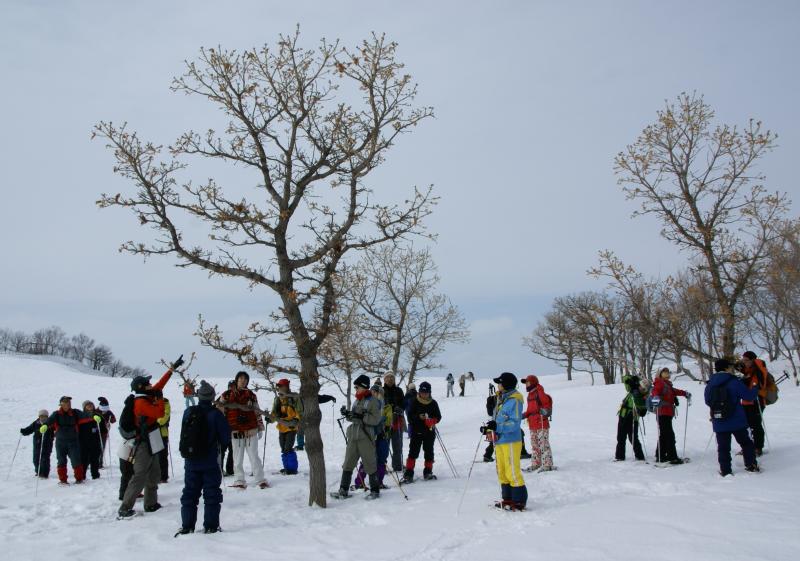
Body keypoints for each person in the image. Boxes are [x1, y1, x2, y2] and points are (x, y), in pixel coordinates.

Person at [118, 355, 183, 518]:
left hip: (152, 438)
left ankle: (151, 503)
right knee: (139, 475)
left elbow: (160, 384)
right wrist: (160, 399)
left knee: (154, 472)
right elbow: (159, 413)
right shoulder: (141, 403)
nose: (150, 384)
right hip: (143, 442)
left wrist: (172, 369)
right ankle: (125, 507)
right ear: (142, 387)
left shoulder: (146, 396)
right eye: (147, 383)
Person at [176, 380, 232, 536]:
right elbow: (225, 437)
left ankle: (187, 526)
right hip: (210, 461)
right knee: (212, 493)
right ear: (212, 397)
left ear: (199, 396)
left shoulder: (188, 412)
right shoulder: (216, 415)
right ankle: (211, 526)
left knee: (189, 493)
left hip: (191, 460)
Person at [480, 372, 528, 511]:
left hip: (511, 440)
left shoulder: (515, 400)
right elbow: (497, 420)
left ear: (505, 385)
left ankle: (519, 501)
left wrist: (498, 427)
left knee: (512, 470)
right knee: (501, 470)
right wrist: (489, 428)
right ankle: (508, 498)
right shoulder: (502, 399)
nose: (498, 385)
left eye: (499, 383)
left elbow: (515, 423)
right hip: (500, 440)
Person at [704, 358, 760, 476]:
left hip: (719, 420)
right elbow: (748, 396)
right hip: (736, 419)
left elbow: (708, 401)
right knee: (746, 443)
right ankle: (751, 465)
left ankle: (725, 470)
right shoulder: (734, 381)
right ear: (726, 368)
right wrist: (755, 388)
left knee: (723, 447)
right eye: (730, 366)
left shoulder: (710, 384)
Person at [330, 375, 383, 500]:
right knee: (348, 463)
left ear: (364, 387)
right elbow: (354, 417)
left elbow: (376, 419)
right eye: (355, 387)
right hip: (353, 436)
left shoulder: (373, 401)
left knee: (369, 463)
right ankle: (343, 490)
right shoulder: (357, 400)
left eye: (357, 387)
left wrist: (361, 417)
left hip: (365, 436)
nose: (355, 389)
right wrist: (348, 414)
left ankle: (375, 490)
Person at [220, 371, 268, 488]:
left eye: (245, 379)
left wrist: (260, 427)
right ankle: (239, 480)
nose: (243, 381)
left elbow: (257, 411)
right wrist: (220, 428)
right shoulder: (226, 395)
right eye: (241, 378)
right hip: (235, 431)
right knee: (237, 458)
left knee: (254, 456)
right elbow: (220, 411)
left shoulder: (251, 395)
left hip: (251, 430)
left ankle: (260, 479)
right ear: (237, 380)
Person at [42, 396, 96, 484]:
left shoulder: (75, 412)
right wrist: (45, 425)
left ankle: (79, 478)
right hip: (60, 442)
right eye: (65, 403)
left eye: (68, 403)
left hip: (73, 441)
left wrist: (93, 416)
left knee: (76, 460)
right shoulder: (56, 414)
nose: (67, 404)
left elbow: (85, 415)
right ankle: (63, 480)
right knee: (61, 460)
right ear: (61, 404)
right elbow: (50, 420)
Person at [402, 381, 442, 483]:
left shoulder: (433, 403)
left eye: (426, 392)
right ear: (419, 392)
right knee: (413, 453)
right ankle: (409, 473)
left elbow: (438, 416)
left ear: (429, 393)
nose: (424, 394)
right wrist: (419, 417)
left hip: (429, 432)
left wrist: (432, 420)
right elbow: (409, 416)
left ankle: (428, 472)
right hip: (416, 432)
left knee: (429, 452)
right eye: (422, 392)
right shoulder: (414, 401)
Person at [354, 384, 391, 490]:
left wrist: (385, 422)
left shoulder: (387, 407)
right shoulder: (368, 404)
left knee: (381, 459)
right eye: (373, 392)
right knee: (367, 459)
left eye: (377, 392)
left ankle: (379, 482)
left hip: (382, 436)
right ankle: (359, 482)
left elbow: (389, 420)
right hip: (369, 435)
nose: (374, 394)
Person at [651, 367, 690, 464]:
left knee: (664, 435)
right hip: (662, 412)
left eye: (668, 372)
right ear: (660, 374)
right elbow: (655, 391)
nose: (667, 373)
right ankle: (672, 457)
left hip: (666, 413)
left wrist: (685, 393)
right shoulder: (659, 382)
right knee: (669, 435)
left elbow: (674, 391)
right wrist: (655, 397)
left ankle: (660, 455)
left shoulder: (667, 384)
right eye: (665, 372)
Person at [269, 378, 300, 475]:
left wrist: (296, 420)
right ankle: (287, 467)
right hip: (282, 426)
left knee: (288, 448)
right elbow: (274, 413)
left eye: (282, 386)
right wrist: (270, 419)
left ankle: (292, 469)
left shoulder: (293, 397)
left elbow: (299, 411)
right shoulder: (278, 399)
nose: (280, 388)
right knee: (283, 447)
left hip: (291, 427)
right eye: (279, 386)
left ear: (287, 387)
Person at [522, 375, 554, 472]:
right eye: (526, 383)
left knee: (543, 444)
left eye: (528, 382)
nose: (526, 385)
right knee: (534, 445)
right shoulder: (529, 395)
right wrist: (523, 415)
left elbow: (546, 403)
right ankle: (536, 464)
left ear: (533, 383)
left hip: (541, 423)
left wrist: (539, 389)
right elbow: (530, 410)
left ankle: (547, 465)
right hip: (532, 424)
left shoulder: (540, 392)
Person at [739, 351, 768, 456]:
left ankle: (758, 447)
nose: (744, 362)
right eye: (743, 360)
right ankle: (749, 447)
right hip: (746, 401)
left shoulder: (759, 369)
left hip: (757, 401)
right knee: (746, 425)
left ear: (752, 360)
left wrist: (744, 381)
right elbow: (739, 367)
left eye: (746, 360)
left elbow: (758, 385)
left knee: (755, 425)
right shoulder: (748, 370)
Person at [615, 375, 648, 462]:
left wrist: (642, 409)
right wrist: (633, 379)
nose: (642, 388)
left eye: (644, 388)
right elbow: (625, 378)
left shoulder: (644, 396)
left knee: (633, 438)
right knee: (620, 437)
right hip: (623, 415)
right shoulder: (632, 388)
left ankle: (640, 456)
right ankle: (619, 456)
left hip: (634, 418)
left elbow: (643, 408)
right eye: (641, 386)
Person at [383, 372, 405, 473]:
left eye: (392, 377)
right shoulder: (381, 391)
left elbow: (404, 403)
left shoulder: (399, 390)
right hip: (385, 423)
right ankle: (382, 466)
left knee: (398, 446)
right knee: (384, 446)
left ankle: (397, 466)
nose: (390, 379)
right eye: (388, 377)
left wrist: (400, 409)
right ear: (384, 379)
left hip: (397, 422)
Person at [20, 409, 53, 478]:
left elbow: (55, 431)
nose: (43, 418)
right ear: (39, 416)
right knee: (36, 459)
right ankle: (38, 471)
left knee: (44, 459)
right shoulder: (36, 423)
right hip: (37, 444)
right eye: (41, 416)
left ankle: (44, 473)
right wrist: (24, 431)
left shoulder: (49, 423)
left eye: (45, 416)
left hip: (47, 444)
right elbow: (30, 429)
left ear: (47, 417)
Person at [79, 400, 103, 479]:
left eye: (91, 405)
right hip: (83, 441)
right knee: (84, 460)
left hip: (95, 441)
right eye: (87, 405)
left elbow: (103, 428)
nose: (90, 406)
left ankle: (95, 474)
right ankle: (82, 475)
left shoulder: (97, 415)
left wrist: (100, 424)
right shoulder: (81, 416)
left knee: (95, 459)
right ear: (84, 407)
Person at [97, 396, 116, 468]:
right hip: (96, 433)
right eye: (103, 410)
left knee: (102, 447)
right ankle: (93, 462)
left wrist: (110, 421)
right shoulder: (96, 411)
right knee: (95, 448)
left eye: (105, 410)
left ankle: (100, 463)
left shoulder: (109, 412)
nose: (104, 412)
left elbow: (113, 420)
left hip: (104, 433)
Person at [157, 396, 171, 483]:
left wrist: (155, 422)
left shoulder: (166, 404)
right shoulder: (151, 402)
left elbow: (164, 418)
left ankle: (163, 476)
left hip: (162, 434)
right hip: (152, 433)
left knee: (162, 456)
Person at [483, 384, 497, 462]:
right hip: (495, 422)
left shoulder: (491, 399)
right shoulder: (495, 399)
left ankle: (487, 455)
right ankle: (487, 455)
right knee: (494, 440)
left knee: (493, 439)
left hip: (491, 421)